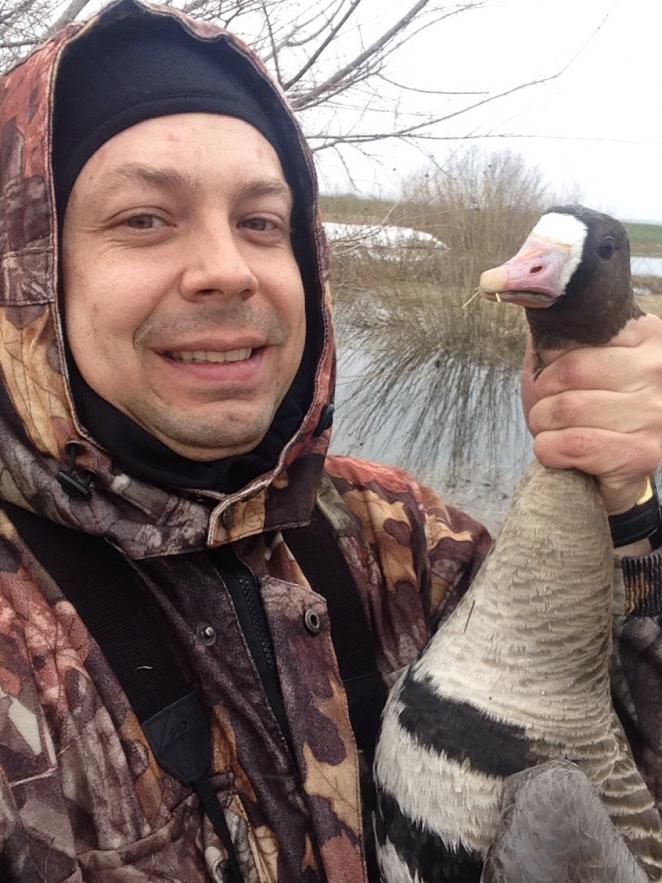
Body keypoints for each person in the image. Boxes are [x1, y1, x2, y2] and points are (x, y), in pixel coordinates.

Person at [1, 1, 662, 880]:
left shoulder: (401, 538)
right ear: (27, 265)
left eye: (261, 222)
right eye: (144, 219)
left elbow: (627, 801)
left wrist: (631, 507)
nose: (228, 270)